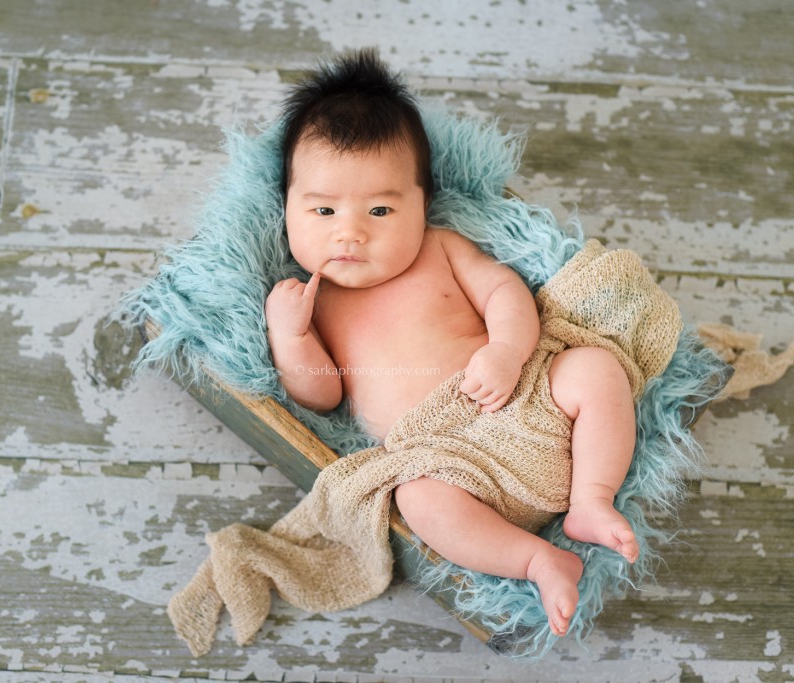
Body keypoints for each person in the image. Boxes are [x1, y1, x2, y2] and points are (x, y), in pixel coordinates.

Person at [264, 48, 639, 638]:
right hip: (445, 458)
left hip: (520, 399)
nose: (351, 232)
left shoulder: (440, 248)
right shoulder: (314, 303)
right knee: (418, 501)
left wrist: (508, 351)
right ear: (287, 207)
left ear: (423, 203)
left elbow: (504, 293)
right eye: (324, 209)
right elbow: (321, 398)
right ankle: (537, 559)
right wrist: (291, 338)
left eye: (381, 208)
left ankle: (592, 498)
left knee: (593, 368)